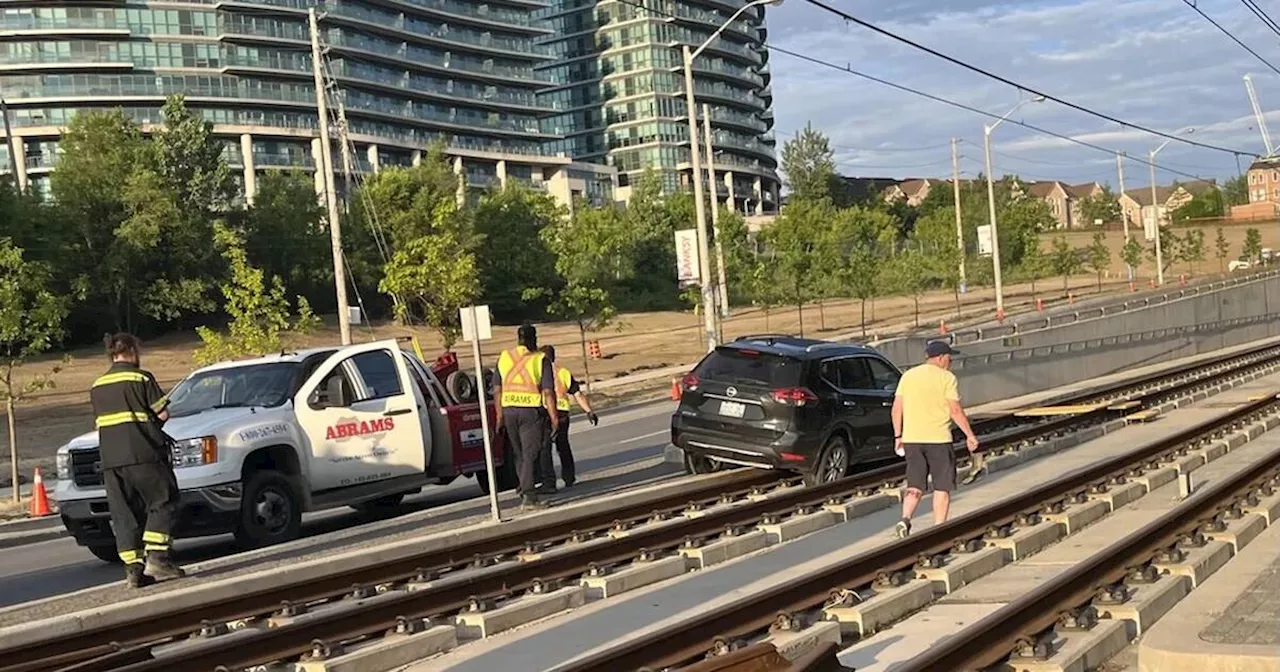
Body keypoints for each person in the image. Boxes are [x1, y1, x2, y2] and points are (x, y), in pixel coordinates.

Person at [90, 333, 186, 587]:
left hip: (111, 460)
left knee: (124, 513)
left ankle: (134, 569)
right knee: (164, 500)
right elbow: (162, 413)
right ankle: (158, 559)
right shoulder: (140, 378)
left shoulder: (97, 385)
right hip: (144, 453)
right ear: (132, 350)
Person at [890, 339, 979, 539]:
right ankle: (939, 528)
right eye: (949, 358)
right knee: (942, 485)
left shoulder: (908, 376)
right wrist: (969, 435)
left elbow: (897, 409)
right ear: (940, 358)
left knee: (915, 484)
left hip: (912, 439)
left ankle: (905, 518)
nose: (951, 362)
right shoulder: (947, 378)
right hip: (939, 439)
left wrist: (898, 435)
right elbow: (955, 410)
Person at [493, 323, 559, 509]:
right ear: (533, 339)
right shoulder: (540, 360)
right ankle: (529, 497)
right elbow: (548, 392)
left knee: (519, 453)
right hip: (530, 412)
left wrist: (499, 416)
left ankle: (524, 488)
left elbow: (497, 389)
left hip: (509, 410)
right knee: (531, 453)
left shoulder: (505, 357)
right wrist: (554, 418)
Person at [538, 345, 599, 490]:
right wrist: (589, 411)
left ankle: (549, 481)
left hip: (545, 412)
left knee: (545, 449)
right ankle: (569, 477)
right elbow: (577, 394)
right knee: (563, 446)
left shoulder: (538, 373)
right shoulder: (563, 373)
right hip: (562, 414)